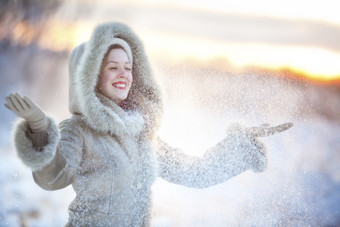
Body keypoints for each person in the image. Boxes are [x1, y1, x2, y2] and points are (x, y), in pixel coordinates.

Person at [4, 21, 293, 226]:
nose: (124, 74)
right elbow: (52, 178)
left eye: (128, 67)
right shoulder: (78, 130)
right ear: (89, 76)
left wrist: (241, 147)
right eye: (113, 67)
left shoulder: (142, 134)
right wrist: (41, 130)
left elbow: (194, 172)